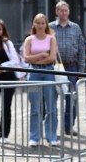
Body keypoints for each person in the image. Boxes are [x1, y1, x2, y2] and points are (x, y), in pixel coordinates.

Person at [48, 0, 85, 136]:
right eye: (61, 11)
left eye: (66, 11)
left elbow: (81, 49)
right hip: (54, 69)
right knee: (52, 98)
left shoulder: (76, 28)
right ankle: (53, 128)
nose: (64, 13)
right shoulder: (49, 27)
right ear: (56, 12)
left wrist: (81, 70)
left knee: (71, 99)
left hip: (71, 68)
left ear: (69, 12)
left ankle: (68, 126)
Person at [23, 13, 58, 147]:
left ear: (46, 25)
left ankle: (51, 136)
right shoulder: (29, 39)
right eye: (38, 23)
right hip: (33, 73)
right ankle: (35, 137)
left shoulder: (51, 39)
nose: (40, 25)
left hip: (48, 71)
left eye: (43, 23)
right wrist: (42, 55)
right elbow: (26, 58)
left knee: (51, 107)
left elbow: (52, 58)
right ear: (34, 24)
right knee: (35, 107)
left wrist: (36, 57)